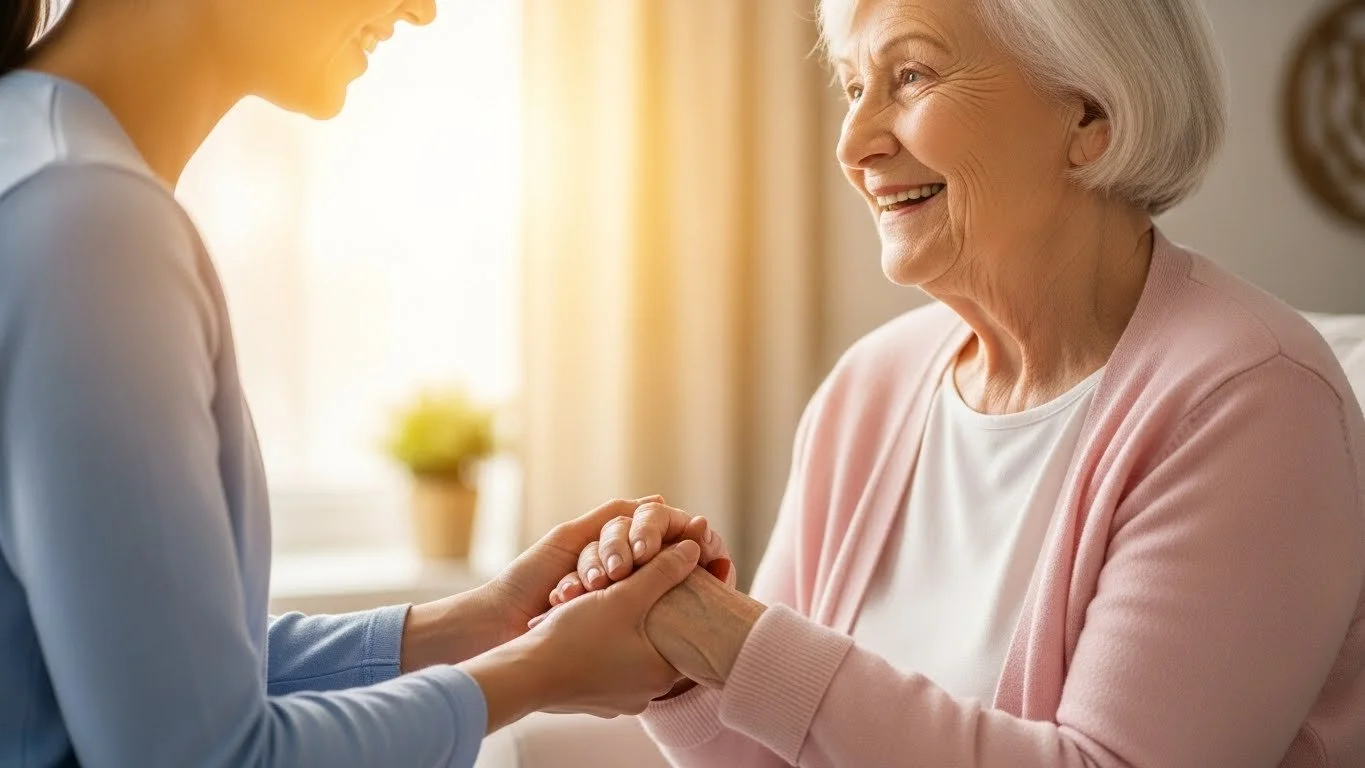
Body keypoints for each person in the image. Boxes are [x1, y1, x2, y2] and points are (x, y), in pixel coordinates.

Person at [552, 0, 1365, 765]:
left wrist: (740, 642)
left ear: (1086, 114)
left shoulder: (1253, 400)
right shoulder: (868, 388)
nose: (853, 141)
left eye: (910, 76)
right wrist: (687, 664)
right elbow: (780, 752)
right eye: (852, 86)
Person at [0, 1, 731, 766]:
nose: (422, 8)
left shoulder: (44, 166)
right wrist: (541, 670)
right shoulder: (87, 223)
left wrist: (488, 621)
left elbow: (149, 676)